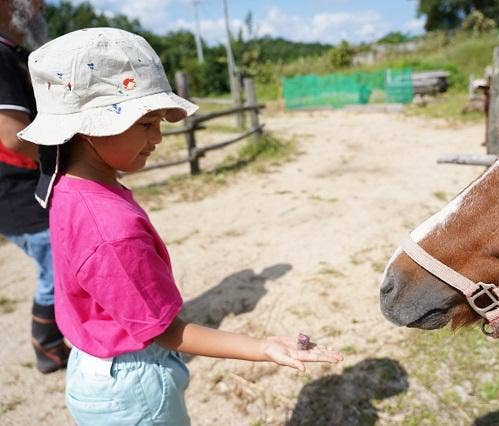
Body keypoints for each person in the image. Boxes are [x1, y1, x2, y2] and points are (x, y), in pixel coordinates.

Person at [17, 27, 342, 425]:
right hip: (132, 385)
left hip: (94, 365)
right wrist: (263, 347)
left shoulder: (67, 186)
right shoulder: (110, 228)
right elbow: (164, 331)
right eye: (145, 123)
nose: (158, 137)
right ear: (88, 127)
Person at [0, 0, 69, 373]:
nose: (41, 5)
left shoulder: (15, 55)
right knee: (57, 273)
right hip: (18, 193)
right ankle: (48, 346)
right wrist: (71, 160)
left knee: (59, 269)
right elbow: (12, 137)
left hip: (21, 189)